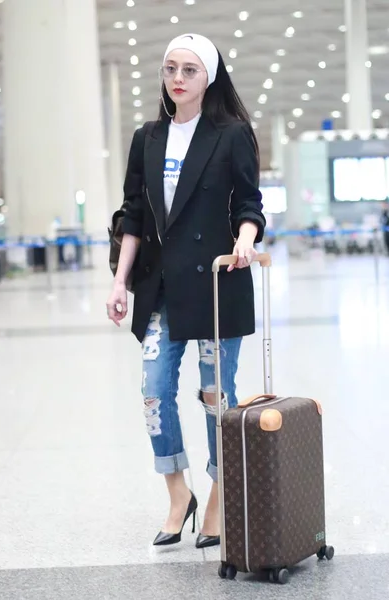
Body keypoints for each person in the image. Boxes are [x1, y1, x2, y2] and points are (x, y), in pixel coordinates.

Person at [106, 33, 265, 549]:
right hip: (160, 288)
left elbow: (249, 203)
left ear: (209, 77)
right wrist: (119, 281)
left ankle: (219, 497)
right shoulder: (147, 137)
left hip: (218, 282)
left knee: (217, 397)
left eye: (190, 70)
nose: (178, 78)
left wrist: (244, 240)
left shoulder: (232, 134)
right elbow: (133, 215)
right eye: (171, 68)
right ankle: (179, 494)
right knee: (154, 393)